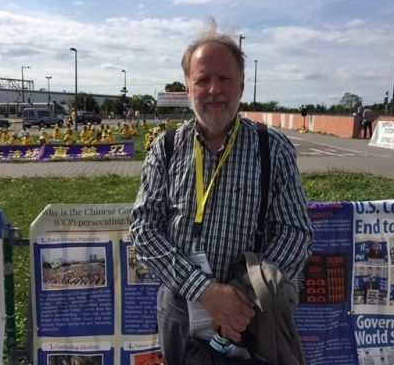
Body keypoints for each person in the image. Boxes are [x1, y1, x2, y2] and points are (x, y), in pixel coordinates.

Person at [130, 19, 313, 364]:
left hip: (252, 316)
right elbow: (144, 229)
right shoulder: (165, 148)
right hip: (180, 307)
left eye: (224, 79)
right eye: (202, 80)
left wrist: (240, 299)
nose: (214, 89)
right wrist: (205, 291)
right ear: (188, 88)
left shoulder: (272, 148)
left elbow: (296, 233)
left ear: (241, 85)